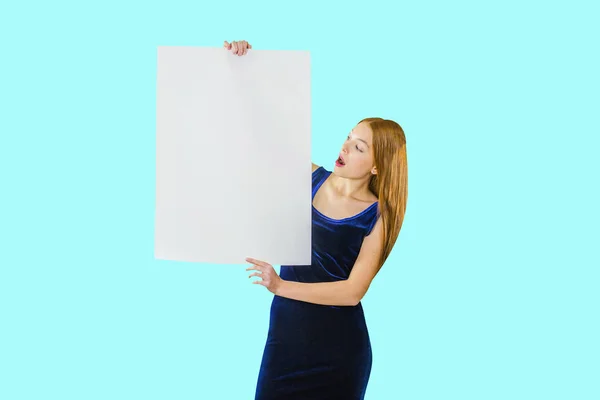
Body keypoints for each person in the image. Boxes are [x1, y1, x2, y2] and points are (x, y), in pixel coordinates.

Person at [224, 40, 408, 399]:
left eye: (359, 146)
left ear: (375, 166)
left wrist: (280, 286)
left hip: (340, 354)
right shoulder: (308, 178)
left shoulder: (376, 216)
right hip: (287, 341)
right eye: (348, 137)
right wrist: (243, 72)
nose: (344, 147)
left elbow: (353, 292)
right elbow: (265, 133)